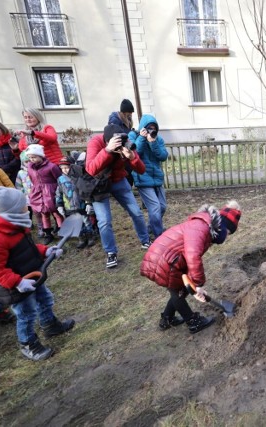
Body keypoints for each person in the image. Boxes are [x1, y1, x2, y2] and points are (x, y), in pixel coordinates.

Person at [0, 187, 74, 361]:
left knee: (44, 299)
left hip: (30, 274)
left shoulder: (11, 224)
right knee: (26, 314)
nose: (27, 206)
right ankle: (28, 344)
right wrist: (17, 283)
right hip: (13, 285)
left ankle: (50, 325)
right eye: (23, 205)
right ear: (10, 210)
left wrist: (45, 251)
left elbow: (26, 248)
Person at [140, 200, 241, 334]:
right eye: (228, 232)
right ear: (222, 226)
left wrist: (194, 281)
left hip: (168, 258)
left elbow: (188, 254)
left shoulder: (205, 226)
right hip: (163, 260)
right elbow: (193, 255)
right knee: (179, 291)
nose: (226, 237)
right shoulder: (201, 227)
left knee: (180, 289)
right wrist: (198, 284)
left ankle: (167, 318)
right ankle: (193, 321)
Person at [85, 124, 151, 268]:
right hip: (100, 184)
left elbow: (141, 169)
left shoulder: (125, 142)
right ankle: (111, 252)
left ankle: (145, 240)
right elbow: (90, 169)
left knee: (137, 212)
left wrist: (132, 157)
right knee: (104, 221)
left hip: (118, 180)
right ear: (106, 140)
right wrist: (107, 150)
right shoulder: (96, 143)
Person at [132, 114, 168, 239]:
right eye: (149, 128)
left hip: (157, 178)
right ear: (143, 128)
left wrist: (153, 143)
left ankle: (151, 227)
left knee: (162, 206)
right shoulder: (135, 136)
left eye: (154, 128)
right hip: (143, 178)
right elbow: (135, 154)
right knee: (155, 207)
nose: (151, 131)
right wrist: (142, 139)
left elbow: (163, 156)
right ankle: (159, 236)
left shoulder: (158, 140)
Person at [25, 144, 63, 245]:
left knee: (55, 212)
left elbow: (59, 179)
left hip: (50, 192)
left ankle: (61, 231)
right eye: (29, 158)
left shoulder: (52, 167)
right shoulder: (30, 167)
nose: (31, 159)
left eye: (34, 157)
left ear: (41, 156)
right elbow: (32, 179)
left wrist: (56, 190)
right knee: (43, 213)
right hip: (38, 192)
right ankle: (48, 233)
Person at [55, 156, 96, 249]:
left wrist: (88, 203)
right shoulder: (61, 179)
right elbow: (59, 193)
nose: (65, 170)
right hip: (69, 207)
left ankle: (90, 236)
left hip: (81, 205)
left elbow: (85, 190)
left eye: (67, 167)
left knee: (86, 221)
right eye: (62, 168)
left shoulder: (79, 177)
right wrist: (59, 205)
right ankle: (81, 237)